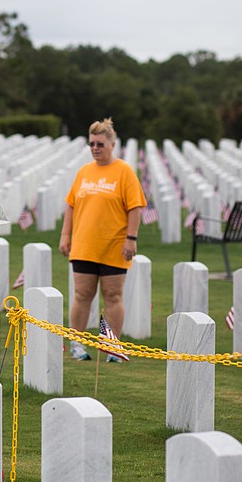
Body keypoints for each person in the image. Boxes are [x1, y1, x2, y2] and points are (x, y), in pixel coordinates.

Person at [59, 118, 146, 361]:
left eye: (100, 144)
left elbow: (135, 208)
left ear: (112, 144)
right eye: (92, 144)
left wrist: (131, 238)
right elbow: (71, 205)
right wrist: (66, 235)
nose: (95, 148)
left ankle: (111, 346)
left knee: (113, 295)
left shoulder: (124, 171)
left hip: (115, 245)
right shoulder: (84, 172)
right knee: (82, 294)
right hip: (85, 245)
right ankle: (77, 343)